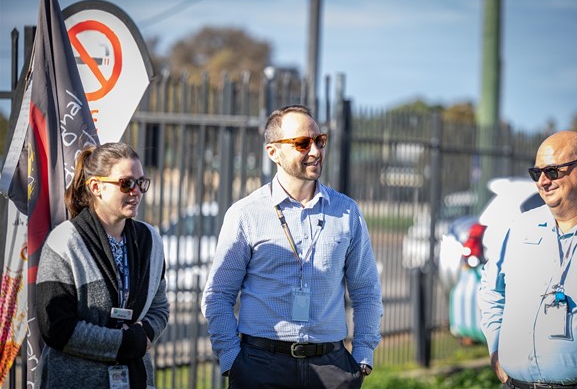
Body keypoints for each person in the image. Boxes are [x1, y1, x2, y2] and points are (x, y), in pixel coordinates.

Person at [201, 104, 383, 388]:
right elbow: (218, 294)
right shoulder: (246, 213)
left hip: (332, 367)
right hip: (261, 366)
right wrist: (231, 360)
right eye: (302, 143)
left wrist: (362, 356)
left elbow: (367, 291)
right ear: (273, 152)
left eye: (319, 140)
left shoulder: (346, 212)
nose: (315, 151)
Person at [35, 142, 170, 389]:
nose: (137, 191)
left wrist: (144, 335)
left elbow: (159, 307)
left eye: (141, 182)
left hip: (135, 379)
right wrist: (124, 342)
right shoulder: (64, 241)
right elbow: (56, 327)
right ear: (96, 187)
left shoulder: (151, 241)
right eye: (126, 183)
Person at [478, 130, 577, 388]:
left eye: (553, 171)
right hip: (514, 384)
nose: (543, 181)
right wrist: (496, 348)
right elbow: (491, 290)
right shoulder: (521, 226)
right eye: (536, 173)